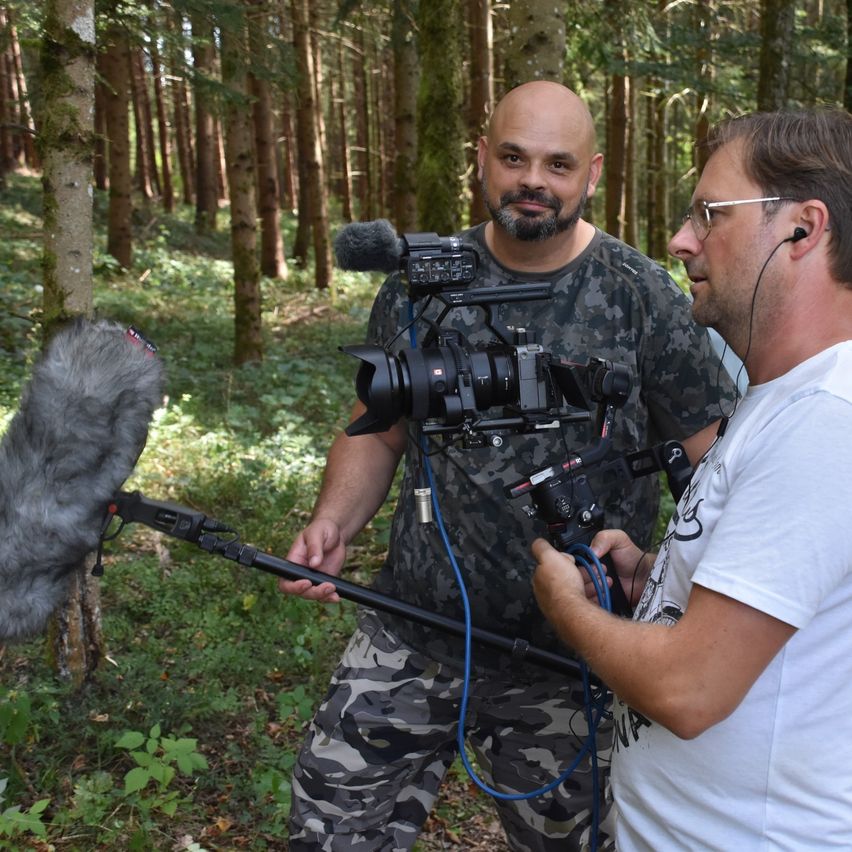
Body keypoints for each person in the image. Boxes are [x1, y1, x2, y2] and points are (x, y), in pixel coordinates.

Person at [283, 80, 735, 851]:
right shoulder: (421, 282)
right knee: (328, 826)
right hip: (416, 631)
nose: (534, 181)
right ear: (482, 161)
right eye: (515, 157)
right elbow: (379, 431)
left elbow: (714, 461)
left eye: (559, 165)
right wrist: (331, 522)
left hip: (576, 654)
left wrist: (700, 607)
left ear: (593, 175)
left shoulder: (639, 297)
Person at [532, 106, 852, 850]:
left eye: (710, 213)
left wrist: (567, 610)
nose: (681, 239)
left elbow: (689, 689)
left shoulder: (825, 421)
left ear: (803, 229)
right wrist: (654, 577)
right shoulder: (783, 400)